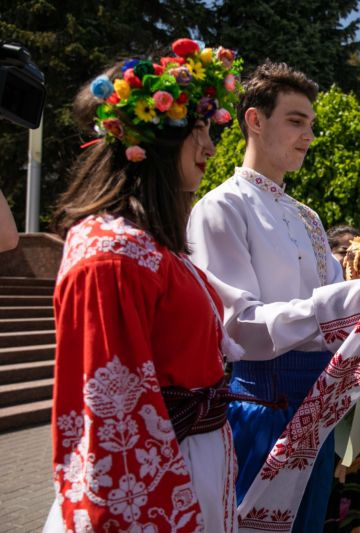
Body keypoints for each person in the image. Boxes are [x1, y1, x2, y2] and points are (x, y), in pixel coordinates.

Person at [45, 38, 242, 532]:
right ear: (153, 139)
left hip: (193, 466)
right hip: (156, 485)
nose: (211, 147)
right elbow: (111, 420)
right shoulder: (111, 255)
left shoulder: (151, 248)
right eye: (197, 129)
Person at [187, 60, 341, 531]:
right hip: (264, 403)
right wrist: (336, 310)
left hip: (322, 398)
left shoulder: (310, 216)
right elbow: (237, 327)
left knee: (311, 523)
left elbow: (337, 299)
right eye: (296, 121)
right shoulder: (219, 207)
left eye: (311, 124)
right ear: (255, 119)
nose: (309, 136)